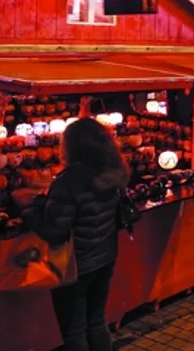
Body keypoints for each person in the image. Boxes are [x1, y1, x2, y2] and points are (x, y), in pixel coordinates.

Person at [29, 117, 129, 351]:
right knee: (96, 321)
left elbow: (55, 232)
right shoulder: (112, 171)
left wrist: (34, 209)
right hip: (104, 257)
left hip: (75, 265)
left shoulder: (69, 181)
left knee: (74, 331)